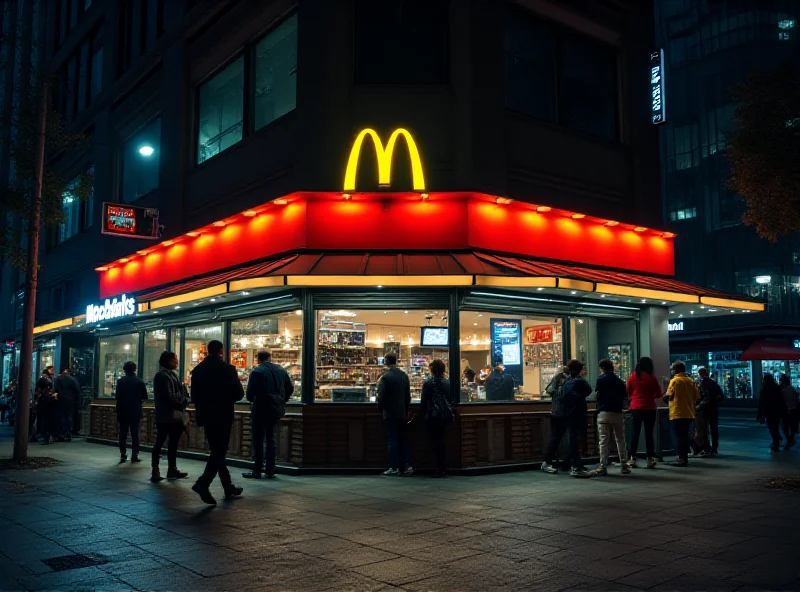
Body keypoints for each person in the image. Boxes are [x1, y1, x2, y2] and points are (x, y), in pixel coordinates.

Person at [190, 340, 245, 505]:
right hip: (223, 414)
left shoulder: (198, 370)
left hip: (206, 415)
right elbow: (239, 394)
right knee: (220, 450)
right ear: (221, 351)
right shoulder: (227, 369)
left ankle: (228, 486)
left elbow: (194, 396)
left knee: (216, 450)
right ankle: (203, 483)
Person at [243, 350, 294, 480]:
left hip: (260, 408)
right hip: (275, 408)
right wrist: (282, 399)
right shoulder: (281, 370)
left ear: (257, 359)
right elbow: (290, 388)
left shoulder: (256, 372)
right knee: (271, 438)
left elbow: (249, 394)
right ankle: (270, 470)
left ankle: (257, 470)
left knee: (258, 440)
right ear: (270, 358)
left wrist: (253, 399)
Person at [541, 359, 593, 477]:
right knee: (560, 438)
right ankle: (549, 461)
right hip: (559, 412)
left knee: (569, 439)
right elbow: (549, 390)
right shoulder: (561, 377)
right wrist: (560, 391)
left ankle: (569, 462)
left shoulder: (571, 380)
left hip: (565, 412)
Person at [151, 351, 189, 483]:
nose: (177, 362)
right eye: (174, 359)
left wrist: (184, 398)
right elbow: (169, 397)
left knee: (173, 443)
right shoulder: (161, 376)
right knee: (160, 442)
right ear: (167, 361)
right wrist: (182, 402)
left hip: (175, 415)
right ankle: (155, 470)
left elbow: (181, 392)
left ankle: (172, 469)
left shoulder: (172, 375)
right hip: (165, 415)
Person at [377, 353, 412, 476]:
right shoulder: (404, 375)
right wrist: (406, 409)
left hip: (389, 412)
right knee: (403, 439)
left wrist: (380, 408)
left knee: (392, 440)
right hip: (402, 412)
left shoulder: (385, 377)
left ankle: (394, 467)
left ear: (386, 361)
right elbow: (408, 396)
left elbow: (380, 397)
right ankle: (408, 466)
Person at [420, 359, 457, 477]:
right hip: (444, 415)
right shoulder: (448, 383)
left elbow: (423, 402)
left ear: (431, 369)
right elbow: (453, 399)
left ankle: (437, 467)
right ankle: (443, 467)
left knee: (435, 442)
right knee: (441, 440)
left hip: (433, 415)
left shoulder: (428, 383)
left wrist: (423, 414)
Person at [594, 359, 629, 476]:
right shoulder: (619, 381)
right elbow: (624, 396)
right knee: (620, 440)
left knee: (603, 441)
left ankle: (603, 466)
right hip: (617, 413)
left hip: (603, 413)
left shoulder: (600, 380)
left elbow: (597, 395)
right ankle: (624, 464)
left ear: (602, 368)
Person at [626, 357, 662, 469]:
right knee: (649, 434)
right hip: (649, 407)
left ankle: (632, 459)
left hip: (636, 407)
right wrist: (650, 396)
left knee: (635, 433)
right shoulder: (652, 378)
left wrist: (635, 397)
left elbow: (628, 390)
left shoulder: (633, 376)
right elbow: (659, 393)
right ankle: (650, 460)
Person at [664, 361, 700, 466]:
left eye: (672, 369)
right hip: (689, 412)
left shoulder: (674, 381)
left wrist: (665, 398)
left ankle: (682, 458)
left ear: (675, 370)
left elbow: (668, 395)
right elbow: (697, 397)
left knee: (679, 436)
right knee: (684, 435)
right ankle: (693, 450)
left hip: (677, 412)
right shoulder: (690, 381)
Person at [115, 361, 148, 463]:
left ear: (124, 370)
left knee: (123, 433)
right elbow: (145, 397)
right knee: (135, 434)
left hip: (123, 410)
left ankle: (123, 454)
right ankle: (135, 455)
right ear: (135, 369)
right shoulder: (139, 382)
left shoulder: (120, 381)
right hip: (135, 410)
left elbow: (117, 396)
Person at [695, 367, 724, 456]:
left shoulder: (703, 382)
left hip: (705, 409)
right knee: (714, 429)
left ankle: (707, 448)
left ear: (701, 374)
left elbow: (704, 396)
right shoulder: (714, 382)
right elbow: (721, 396)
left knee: (704, 429)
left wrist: (700, 405)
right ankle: (714, 448)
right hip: (714, 408)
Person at [758, 373, 790, 451]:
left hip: (769, 411)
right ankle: (777, 440)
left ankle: (776, 441)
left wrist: (760, 414)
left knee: (771, 427)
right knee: (775, 425)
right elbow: (782, 400)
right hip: (777, 411)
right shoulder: (777, 387)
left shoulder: (764, 389)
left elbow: (761, 402)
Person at [53, 367, 80, 442]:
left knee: (60, 416)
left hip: (60, 400)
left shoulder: (58, 379)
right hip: (70, 400)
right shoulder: (72, 380)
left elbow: (55, 389)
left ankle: (61, 434)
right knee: (68, 416)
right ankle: (68, 433)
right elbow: (77, 390)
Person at [34, 377, 57, 444]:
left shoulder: (40, 393)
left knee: (42, 422)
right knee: (47, 423)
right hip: (48, 411)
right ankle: (47, 436)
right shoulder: (48, 393)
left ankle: (43, 436)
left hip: (42, 410)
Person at [779, 374, 800, 438]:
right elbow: (796, 400)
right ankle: (791, 437)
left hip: (787, 410)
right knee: (792, 425)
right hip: (793, 409)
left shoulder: (784, 390)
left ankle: (789, 439)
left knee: (785, 426)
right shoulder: (792, 389)